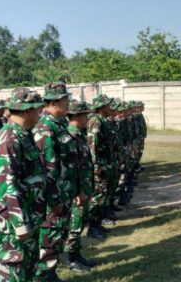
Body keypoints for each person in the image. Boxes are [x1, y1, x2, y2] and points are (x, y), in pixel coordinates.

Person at [0, 88, 46, 281]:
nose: (41, 112)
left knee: (27, 270)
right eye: (38, 108)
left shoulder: (23, 134)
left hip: (28, 215)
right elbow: (8, 185)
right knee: (12, 274)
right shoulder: (9, 139)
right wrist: (20, 225)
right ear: (27, 110)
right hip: (12, 222)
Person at [32, 82, 73, 282]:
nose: (69, 104)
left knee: (58, 235)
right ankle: (42, 275)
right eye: (66, 100)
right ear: (55, 102)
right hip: (52, 195)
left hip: (64, 191)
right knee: (49, 235)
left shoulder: (60, 123)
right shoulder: (45, 127)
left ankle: (50, 272)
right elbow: (47, 168)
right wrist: (54, 197)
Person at [63, 100, 96, 273]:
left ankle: (76, 254)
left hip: (83, 188)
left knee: (81, 222)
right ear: (76, 116)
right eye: (85, 115)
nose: (88, 118)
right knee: (74, 225)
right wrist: (78, 191)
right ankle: (70, 258)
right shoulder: (68, 136)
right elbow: (71, 168)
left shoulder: (79, 134)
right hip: (76, 191)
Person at [87, 94, 115, 234]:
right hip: (99, 167)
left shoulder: (101, 120)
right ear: (102, 107)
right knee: (97, 197)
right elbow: (93, 147)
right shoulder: (95, 121)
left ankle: (97, 223)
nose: (110, 107)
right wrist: (96, 168)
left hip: (104, 165)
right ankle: (92, 227)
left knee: (102, 196)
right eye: (108, 105)